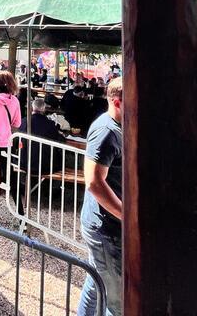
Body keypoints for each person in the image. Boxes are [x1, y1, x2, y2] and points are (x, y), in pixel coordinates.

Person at [78, 77, 123, 316]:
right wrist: (125, 214)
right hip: (105, 226)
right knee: (117, 300)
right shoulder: (107, 131)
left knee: (97, 284)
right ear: (117, 101)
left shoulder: (117, 128)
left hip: (105, 223)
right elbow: (94, 182)